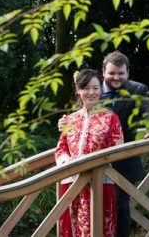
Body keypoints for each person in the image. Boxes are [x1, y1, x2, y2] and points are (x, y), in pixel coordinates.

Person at [58, 51, 149, 237]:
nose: (116, 77)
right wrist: (64, 124)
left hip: (122, 163)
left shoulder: (138, 90)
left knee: (120, 209)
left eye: (121, 73)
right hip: (87, 168)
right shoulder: (94, 90)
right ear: (103, 72)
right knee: (87, 212)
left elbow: (148, 114)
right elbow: (82, 122)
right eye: (112, 73)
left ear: (128, 73)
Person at [55, 69, 124, 237]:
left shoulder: (111, 118)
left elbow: (117, 147)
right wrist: (67, 163)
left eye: (95, 88)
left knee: (99, 228)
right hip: (71, 181)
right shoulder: (70, 119)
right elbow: (61, 147)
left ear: (101, 90)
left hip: (98, 182)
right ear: (79, 91)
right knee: (72, 228)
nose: (91, 92)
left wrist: (92, 164)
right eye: (86, 88)